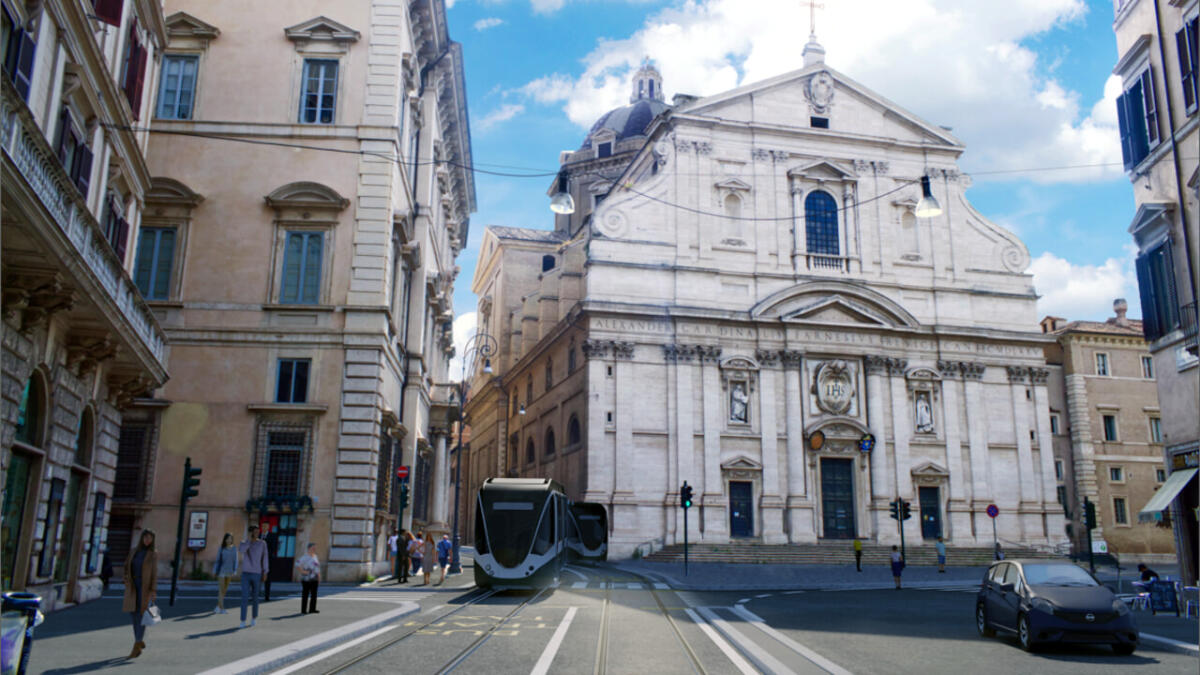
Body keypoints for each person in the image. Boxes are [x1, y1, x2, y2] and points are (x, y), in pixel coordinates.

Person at [123, 529, 157, 659]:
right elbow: (126, 565)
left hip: (145, 588)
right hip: (133, 587)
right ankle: (139, 640)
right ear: (142, 538)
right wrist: (125, 578)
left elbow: (154, 573)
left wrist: (153, 590)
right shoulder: (134, 551)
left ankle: (136, 645)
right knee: (133, 614)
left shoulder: (153, 554)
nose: (148, 540)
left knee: (142, 615)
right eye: (146, 537)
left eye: (150, 538)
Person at [238, 524, 269, 628]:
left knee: (255, 597)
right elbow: (242, 551)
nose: (257, 534)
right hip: (246, 574)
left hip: (257, 573)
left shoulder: (262, 543)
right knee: (244, 597)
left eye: (257, 532)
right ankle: (242, 620)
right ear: (250, 533)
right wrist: (249, 541)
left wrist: (265, 572)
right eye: (254, 532)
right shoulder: (244, 543)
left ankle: (254, 618)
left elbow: (265, 558)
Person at [213, 533, 238, 614]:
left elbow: (235, 561)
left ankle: (217, 606)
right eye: (227, 538)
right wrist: (214, 570)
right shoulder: (221, 548)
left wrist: (235, 570)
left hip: (229, 571)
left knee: (224, 590)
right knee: (221, 590)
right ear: (225, 539)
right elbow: (217, 560)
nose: (229, 540)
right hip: (222, 571)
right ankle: (222, 608)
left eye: (230, 538)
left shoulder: (234, 549)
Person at [295, 543, 321, 615]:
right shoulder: (305, 557)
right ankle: (303, 610)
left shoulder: (315, 556)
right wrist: (303, 571)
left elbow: (317, 567)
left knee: (314, 594)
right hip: (306, 579)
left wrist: (319, 576)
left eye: (315, 548)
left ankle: (312, 609)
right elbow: (297, 564)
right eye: (313, 548)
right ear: (309, 548)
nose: (314, 549)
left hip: (314, 578)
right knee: (305, 594)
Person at [262, 524, 279, 601]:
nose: (264, 528)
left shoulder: (272, 536)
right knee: (256, 578)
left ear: (268, 527)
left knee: (268, 579)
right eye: (263, 526)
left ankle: (267, 596)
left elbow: (274, 547)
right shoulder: (258, 535)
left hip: (268, 560)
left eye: (265, 526)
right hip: (258, 560)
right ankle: (253, 595)